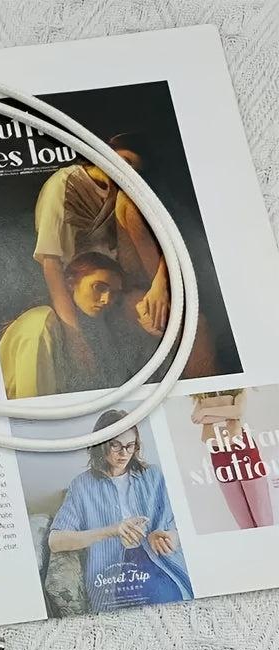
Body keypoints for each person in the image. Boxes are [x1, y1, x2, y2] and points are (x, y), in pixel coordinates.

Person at [31, 132, 216, 378]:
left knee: (128, 201)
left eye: (134, 171)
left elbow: (169, 239)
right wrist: (73, 334)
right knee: (191, 326)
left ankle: (172, 291)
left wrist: (160, 285)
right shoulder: (64, 184)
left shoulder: (120, 193)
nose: (126, 173)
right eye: (125, 162)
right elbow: (51, 265)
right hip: (94, 283)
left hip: (129, 276)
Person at [48, 409, 193, 613]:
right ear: (100, 444)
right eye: (115, 445)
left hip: (160, 562)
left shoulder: (153, 476)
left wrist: (168, 538)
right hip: (112, 572)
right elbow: (55, 541)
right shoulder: (81, 486)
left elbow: (185, 526)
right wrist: (111, 531)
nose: (124, 453)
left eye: (130, 445)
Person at [0, 251, 128, 398]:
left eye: (114, 293)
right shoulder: (41, 324)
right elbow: (36, 404)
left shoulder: (95, 331)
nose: (106, 299)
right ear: (71, 283)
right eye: (99, 287)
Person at [191, 389, 274, 530]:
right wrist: (228, 413)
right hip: (218, 452)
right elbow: (196, 419)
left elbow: (238, 411)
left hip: (243, 446)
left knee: (262, 514)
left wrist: (205, 412)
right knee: (242, 519)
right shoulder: (202, 395)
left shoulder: (238, 390)